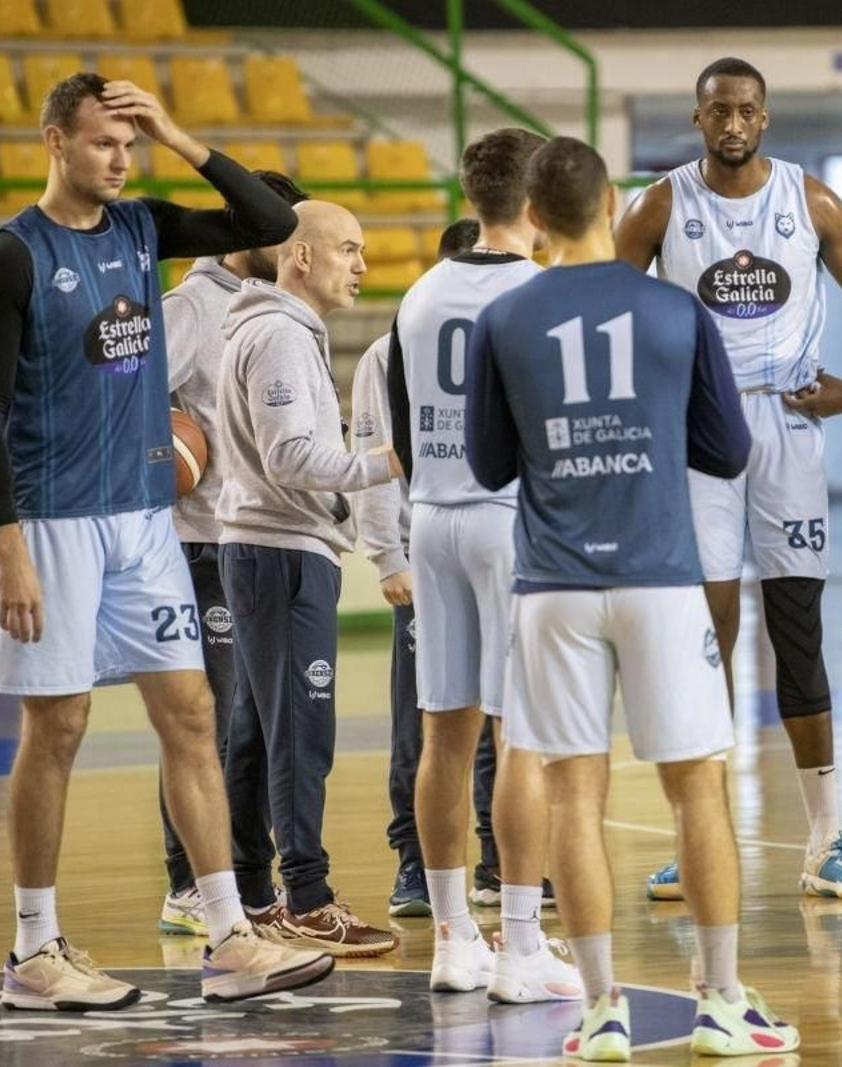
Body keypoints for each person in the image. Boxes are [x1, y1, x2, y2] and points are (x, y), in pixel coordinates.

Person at [0, 72, 331, 1009]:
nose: (119, 159)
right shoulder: (14, 255)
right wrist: (7, 548)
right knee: (59, 727)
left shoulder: (144, 226)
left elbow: (269, 221)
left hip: (142, 520)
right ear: (54, 142)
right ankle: (34, 951)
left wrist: (173, 130)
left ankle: (230, 934)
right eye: (102, 143)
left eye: (127, 143)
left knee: (192, 715)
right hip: (53, 520)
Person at [469, 133, 797, 1063]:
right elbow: (729, 451)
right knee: (698, 790)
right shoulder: (675, 307)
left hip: (554, 587)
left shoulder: (506, 316)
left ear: (531, 218)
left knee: (575, 795)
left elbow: (493, 464)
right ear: (611, 204)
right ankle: (723, 1004)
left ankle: (605, 1007)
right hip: (659, 576)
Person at [616, 57, 842, 901]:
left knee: (798, 625)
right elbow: (603, 310)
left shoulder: (809, 201)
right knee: (708, 631)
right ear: (698, 119)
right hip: (700, 428)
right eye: (718, 111)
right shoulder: (660, 204)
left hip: (788, 423)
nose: (733, 122)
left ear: (765, 119)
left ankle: (826, 838)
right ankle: (697, 837)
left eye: (747, 110)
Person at [386, 130, 579, 1001]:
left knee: (444, 733)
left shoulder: (419, 292)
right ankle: (525, 945)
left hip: (431, 515)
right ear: (536, 196)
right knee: (522, 737)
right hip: (509, 518)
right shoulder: (544, 292)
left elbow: (397, 424)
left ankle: (454, 938)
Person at [216, 199, 401, 957]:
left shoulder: (270, 329)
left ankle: (254, 894)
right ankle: (308, 896)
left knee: (258, 730)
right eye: (348, 249)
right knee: (299, 727)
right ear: (301, 256)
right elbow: (289, 456)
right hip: (282, 552)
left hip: (269, 549)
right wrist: (386, 464)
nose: (360, 265)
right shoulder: (281, 336)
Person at [350, 217, 527, 921]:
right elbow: (376, 449)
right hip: (446, 538)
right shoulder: (390, 347)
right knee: (434, 725)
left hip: (445, 528)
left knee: (474, 723)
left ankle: (495, 866)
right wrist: (386, 555)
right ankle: (414, 865)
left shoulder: (429, 314)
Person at [156, 170, 310, 937]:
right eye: (279, 231)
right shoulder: (190, 306)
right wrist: (174, 453)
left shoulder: (272, 307)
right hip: (201, 544)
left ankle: (247, 880)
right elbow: (129, 397)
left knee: (249, 724)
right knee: (207, 719)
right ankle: (185, 882)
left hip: (252, 540)